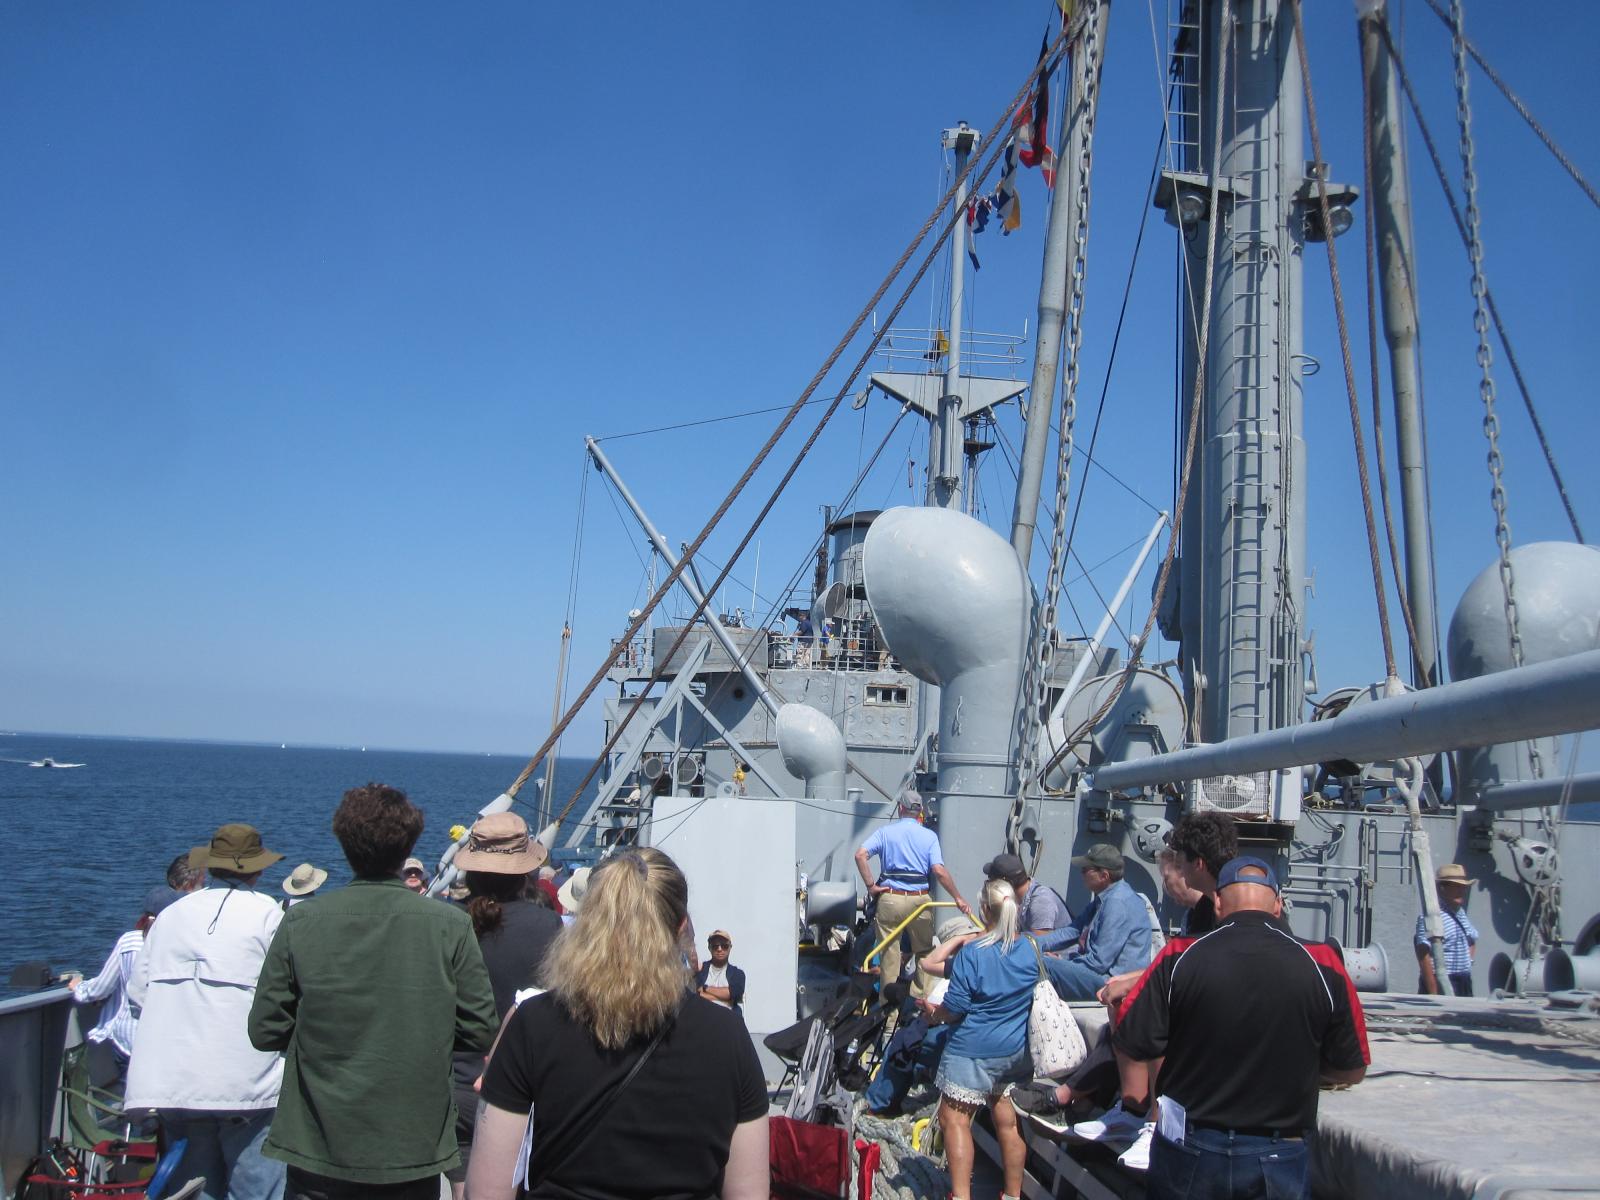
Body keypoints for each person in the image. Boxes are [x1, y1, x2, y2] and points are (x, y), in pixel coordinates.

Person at [468, 847, 768, 1200]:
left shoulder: (532, 1024)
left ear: (586, 922)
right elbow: (749, 1192)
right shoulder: (727, 1036)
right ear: (680, 927)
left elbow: (486, 1191)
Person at [248, 783, 498, 1200]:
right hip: (411, 1140)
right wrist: (420, 1035)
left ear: (344, 843)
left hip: (319, 1139)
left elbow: (265, 1029)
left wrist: (320, 1041)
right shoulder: (450, 925)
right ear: (408, 846)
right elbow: (479, 1028)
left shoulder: (302, 922)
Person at [1115, 857, 1370, 1197]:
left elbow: (1134, 1040)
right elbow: (1352, 1069)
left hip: (1190, 1149)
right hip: (1278, 1154)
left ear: (1218, 903)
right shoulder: (1323, 962)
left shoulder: (1178, 955)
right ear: (1277, 905)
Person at [125, 823, 288, 1200]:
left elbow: (138, 993)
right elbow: (288, 996)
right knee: (256, 1191)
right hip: (248, 1085)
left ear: (210, 866)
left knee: (194, 1190)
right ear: (258, 869)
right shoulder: (269, 915)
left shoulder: (171, 916)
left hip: (176, 1085)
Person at [445, 812, 562, 1200]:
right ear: (525, 872)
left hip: (453, 1083)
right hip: (518, 1087)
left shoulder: (449, 924)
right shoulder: (547, 927)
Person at [919, 879, 1034, 1200]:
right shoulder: (1030, 948)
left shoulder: (973, 953)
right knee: (1007, 1122)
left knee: (954, 1120)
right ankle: (1012, 1195)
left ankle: (961, 1196)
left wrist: (934, 1014)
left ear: (984, 909)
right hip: (1013, 1051)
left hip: (973, 1052)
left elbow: (955, 1007)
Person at [855, 789, 973, 998]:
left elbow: (860, 855)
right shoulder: (930, 836)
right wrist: (958, 898)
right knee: (924, 951)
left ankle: (889, 1010)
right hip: (920, 901)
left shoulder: (885, 833)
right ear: (919, 811)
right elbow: (938, 871)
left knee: (889, 955)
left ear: (901, 808)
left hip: (891, 898)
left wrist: (871, 886)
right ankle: (921, 1001)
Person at [70, 886, 181, 1089]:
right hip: (168, 1041)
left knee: (129, 1095)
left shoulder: (129, 942)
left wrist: (79, 987)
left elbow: (101, 988)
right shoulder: (183, 945)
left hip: (128, 1040)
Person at [1036, 844, 1151, 1000]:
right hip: (1099, 974)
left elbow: (1098, 962)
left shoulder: (1117, 904)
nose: (1081, 873)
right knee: (1038, 958)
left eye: (1085, 870)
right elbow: (1072, 930)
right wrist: (1031, 944)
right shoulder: (1104, 897)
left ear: (1104, 875)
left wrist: (1062, 961)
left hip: (1112, 983)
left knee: (1043, 964)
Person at [1167, 810, 1239, 935]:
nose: (1180, 872)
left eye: (1180, 864)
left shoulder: (1242, 907)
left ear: (1198, 864)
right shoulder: (1203, 909)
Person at [1416, 863, 1479, 996]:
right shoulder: (1431, 916)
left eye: (1463, 887)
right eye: (1457, 886)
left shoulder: (1459, 912)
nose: (1462, 891)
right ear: (1442, 888)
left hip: (1463, 979)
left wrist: (1467, 962)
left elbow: (1472, 937)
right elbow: (1423, 955)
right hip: (1441, 980)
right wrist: (1433, 992)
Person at [982, 852, 1071, 935]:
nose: (990, 885)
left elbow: (1038, 943)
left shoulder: (1041, 902)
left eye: (991, 879)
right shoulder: (1017, 898)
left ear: (1006, 883)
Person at [694, 930, 746, 1015]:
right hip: (703, 1016)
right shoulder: (701, 970)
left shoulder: (737, 973)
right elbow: (695, 994)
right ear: (709, 948)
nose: (719, 949)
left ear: (730, 947)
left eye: (724, 946)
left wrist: (705, 988)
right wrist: (725, 999)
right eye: (715, 946)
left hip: (728, 1018)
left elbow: (735, 994)